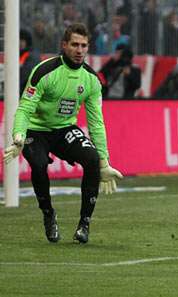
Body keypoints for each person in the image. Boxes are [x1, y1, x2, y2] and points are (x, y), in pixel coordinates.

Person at [3, 23, 123, 244]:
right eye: (75, 44)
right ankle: (48, 215)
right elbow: (25, 107)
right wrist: (18, 134)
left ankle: (84, 224)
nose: (79, 50)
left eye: (84, 45)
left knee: (92, 159)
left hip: (64, 129)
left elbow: (96, 122)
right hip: (36, 130)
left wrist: (104, 162)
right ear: (64, 45)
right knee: (38, 165)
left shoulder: (91, 79)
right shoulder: (44, 72)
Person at [19, 29, 40, 94]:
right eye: (18, 40)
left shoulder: (31, 55)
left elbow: (26, 75)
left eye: (22, 41)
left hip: (26, 91)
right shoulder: (19, 54)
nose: (19, 43)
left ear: (27, 42)